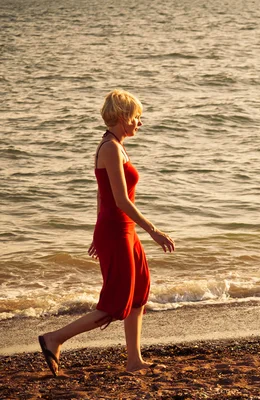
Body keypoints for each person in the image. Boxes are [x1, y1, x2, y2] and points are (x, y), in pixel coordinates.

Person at [38, 89, 175, 376]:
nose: (140, 123)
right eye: (137, 117)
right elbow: (121, 200)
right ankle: (54, 338)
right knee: (115, 303)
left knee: (139, 293)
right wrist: (154, 230)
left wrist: (95, 231)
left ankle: (134, 361)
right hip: (117, 230)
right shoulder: (111, 148)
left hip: (119, 229)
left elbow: (101, 196)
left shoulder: (116, 145)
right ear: (123, 117)